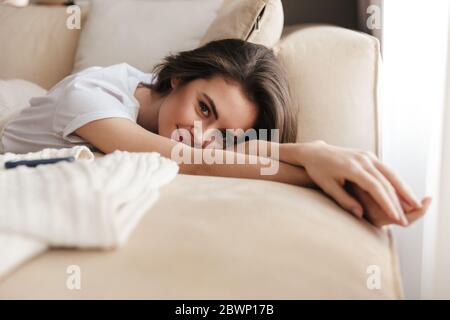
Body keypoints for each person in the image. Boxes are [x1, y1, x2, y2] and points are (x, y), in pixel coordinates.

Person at [0, 39, 431, 227]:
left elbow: (226, 151)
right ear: (176, 78)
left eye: (222, 133)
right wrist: (311, 163)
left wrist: (298, 153)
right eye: (204, 108)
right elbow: (178, 158)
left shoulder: (188, 117)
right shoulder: (91, 95)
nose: (197, 133)